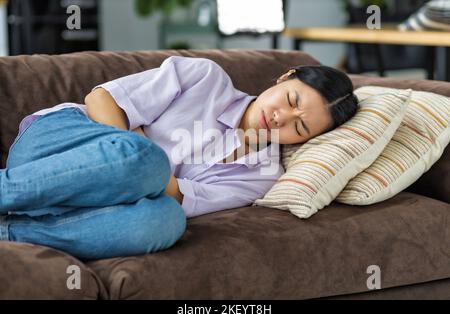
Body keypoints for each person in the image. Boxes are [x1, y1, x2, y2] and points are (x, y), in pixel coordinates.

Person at [0, 56, 359, 260]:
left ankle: (12, 230)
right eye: (292, 100)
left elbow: (176, 198)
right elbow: (101, 102)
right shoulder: (206, 77)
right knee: (149, 163)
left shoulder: (263, 176)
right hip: (59, 141)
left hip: (97, 195)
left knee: (167, 222)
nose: (281, 118)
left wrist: (138, 136)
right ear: (286, 76)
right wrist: (140, 155)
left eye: (299, 128)